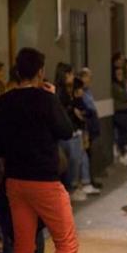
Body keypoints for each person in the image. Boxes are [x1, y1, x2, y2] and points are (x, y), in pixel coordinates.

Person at [0, 47, 83, 253]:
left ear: (17, 71)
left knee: (23, 248)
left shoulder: (3, 103)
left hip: (15, 182)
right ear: (40, 71)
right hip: (44, 181)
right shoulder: (46, 100)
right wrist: (53, 99)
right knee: (67, 243)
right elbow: (66, 130)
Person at [55, 63, 85, 201]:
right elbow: (61, 112)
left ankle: (72, 188)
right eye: (71, 74)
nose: (73, 77)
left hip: (73, 130)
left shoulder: (70, 90)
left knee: (75, 160)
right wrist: (72, 110)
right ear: (65, 75)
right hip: (66, 133)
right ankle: (69, 189)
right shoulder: (59, 93)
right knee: (70, 162)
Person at [112, 65, 127, 163]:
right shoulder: (115, 86)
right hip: (119, 113)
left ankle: (123, 151)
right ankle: (122, 150)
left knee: (124, 132)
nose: (120, 76)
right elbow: (125, 96)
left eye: (121, 74)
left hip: (124, 111)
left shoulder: (121, 85)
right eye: (118, 74)